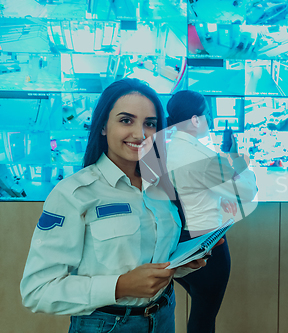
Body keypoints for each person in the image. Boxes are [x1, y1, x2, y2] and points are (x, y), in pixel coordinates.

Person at [20, 78, 208, 333]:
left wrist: (182, 263)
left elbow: (149, 260)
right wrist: (120, 286)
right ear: (103, 127)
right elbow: (37, 291)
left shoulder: (161, 186)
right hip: (107, 324)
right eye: (126, 120)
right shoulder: (74, 193)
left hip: (163, 315)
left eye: (150, 124)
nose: (140, 134)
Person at [164, 90, 257, 333]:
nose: (210, 120)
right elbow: (247, 191)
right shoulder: (200, 156)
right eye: (207, 115)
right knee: (204, 319)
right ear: (195, 120)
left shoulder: (169, 150)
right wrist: (237, 158)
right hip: (208, 246)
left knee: (199, 313)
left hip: (176, 243)